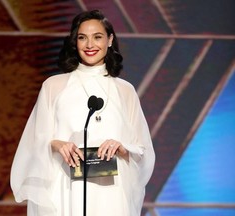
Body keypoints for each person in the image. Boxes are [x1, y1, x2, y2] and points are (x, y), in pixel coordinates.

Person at [10, 10, 155, 216]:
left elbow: (143, 151)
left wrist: (122, 148)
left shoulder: (125, 90)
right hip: (67, 186)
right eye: (82, 37)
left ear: (110, 40)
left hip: (111, 191)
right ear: (74, 42)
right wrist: (57, 143)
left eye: (97, 37)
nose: (89, 45)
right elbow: (34, 142)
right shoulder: (54, 86)